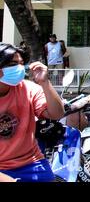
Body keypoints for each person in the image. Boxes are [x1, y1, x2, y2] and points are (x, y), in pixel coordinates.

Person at [0, 43, 65, 182]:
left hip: (32, 162)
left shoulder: (28, 88)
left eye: (22, 63)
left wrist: (45, 83)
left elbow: (57, 114)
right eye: (13, 64)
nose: (19, 68)